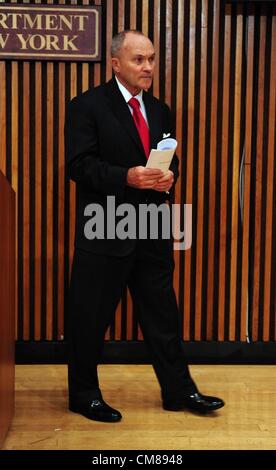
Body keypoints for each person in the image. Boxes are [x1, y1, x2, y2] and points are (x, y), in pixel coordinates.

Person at [64, 30, 224, 422]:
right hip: (105, 227)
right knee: (90, 317)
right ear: (115, 63)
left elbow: (169, 160)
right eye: (139, 59)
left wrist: (170, 178)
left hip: (152, 226)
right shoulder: (86, 106)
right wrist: (126, 177)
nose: (149, 66)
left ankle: (179, 391)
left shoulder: (160, 108)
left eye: (151, 58)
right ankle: (84, 395)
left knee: (162, 315)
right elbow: (79, 167)